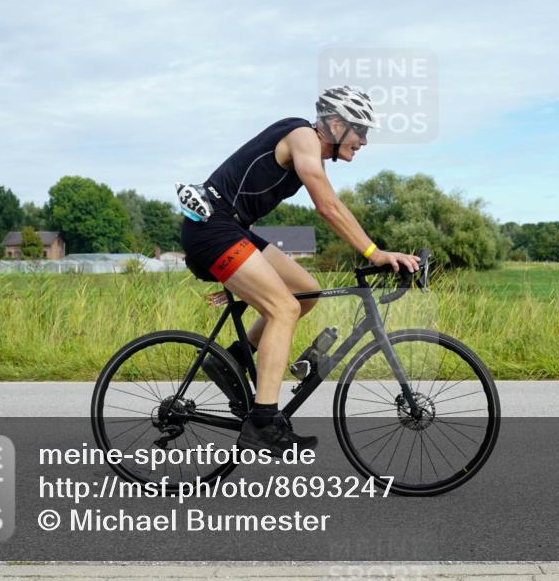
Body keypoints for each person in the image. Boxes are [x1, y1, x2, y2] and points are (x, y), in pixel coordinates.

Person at [178, 86, 421, 456]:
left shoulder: (312, 151)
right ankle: (262, 422)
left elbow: (330, 204)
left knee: (306, 290)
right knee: (284, 308)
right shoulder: (303, 135)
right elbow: (328, 206)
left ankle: (234, 361)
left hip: (231, 229)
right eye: (362, 130)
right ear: (336, 124)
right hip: (212, 228)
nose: (365, 141)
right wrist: (375, 253)